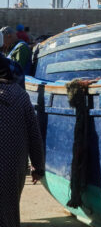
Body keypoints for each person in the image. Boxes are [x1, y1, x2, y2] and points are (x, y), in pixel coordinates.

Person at [0, 54, 45, 227]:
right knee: (9, 211)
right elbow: (35, 136)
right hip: (13, 166)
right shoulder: (21, 96)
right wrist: (38, 167)